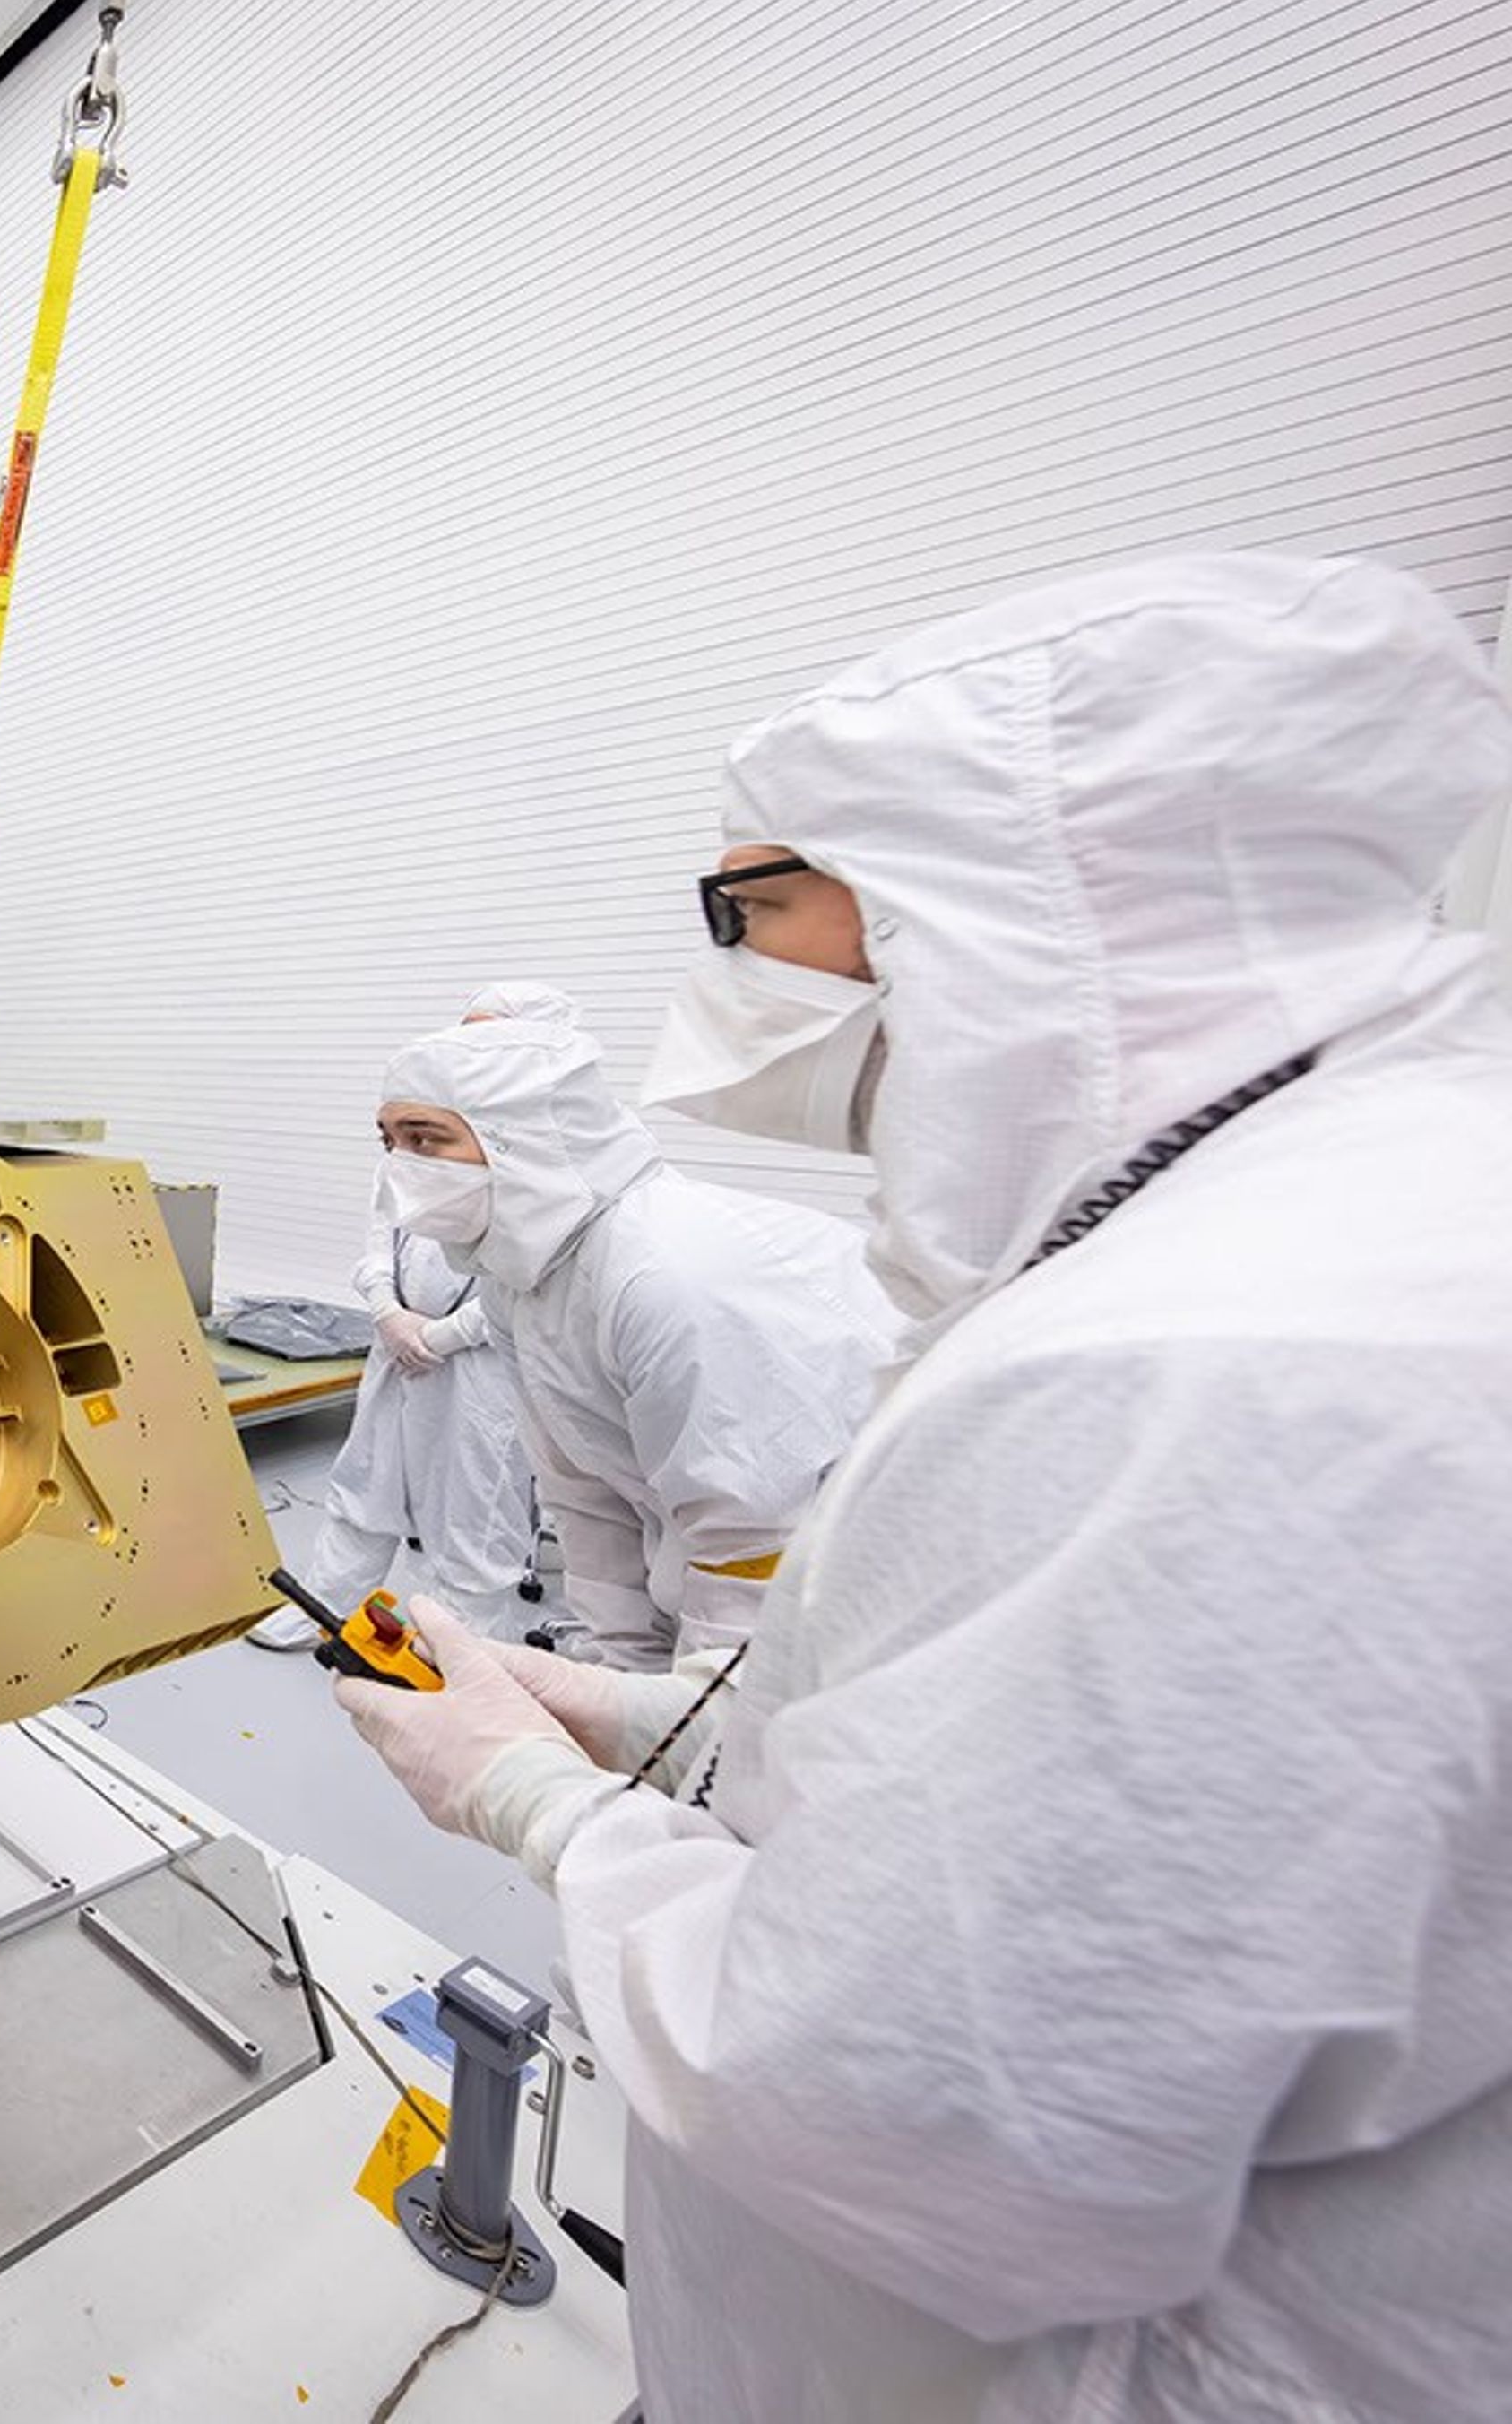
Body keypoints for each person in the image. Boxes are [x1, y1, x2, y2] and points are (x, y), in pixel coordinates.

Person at [336, 553, 1512, 2422]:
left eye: (753, 902)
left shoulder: (1211, 1364)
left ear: (997, 889)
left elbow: (906, 2101)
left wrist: (541, 1801)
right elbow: (1004, 1780)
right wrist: (649, 1727)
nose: (726, 966)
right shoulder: (1289, 1225)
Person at [367, 1012, 893, 1666]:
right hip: (750, 1569)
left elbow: (750, 1545)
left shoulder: (664, 1274)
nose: (401, 1166)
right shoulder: (519, 1280)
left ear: (521, 1140)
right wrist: (621, 1666)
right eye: (390, 1142)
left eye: (427, 1139)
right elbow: (583, 1490)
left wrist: (686, 1727)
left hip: (878, 1582)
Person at [251, 985, 582, 1651]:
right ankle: (326, 1608)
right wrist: (387, 1313)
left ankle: (460, 1647)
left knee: (474, 1511)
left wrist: (444, 1335)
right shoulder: (416, 1138)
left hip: (484, 1365)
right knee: (364, 1482)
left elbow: (543, 1275)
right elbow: (380, 1236)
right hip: (396, 1344)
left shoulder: (556, 1159)